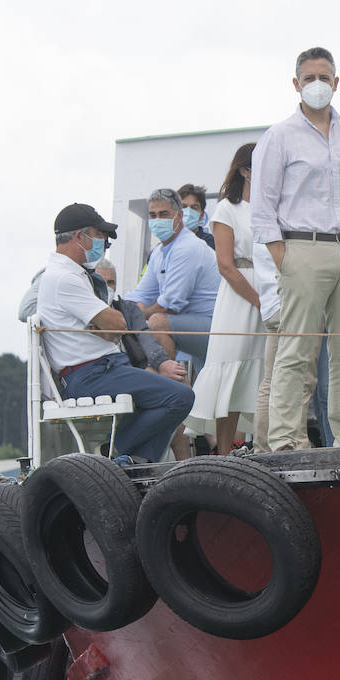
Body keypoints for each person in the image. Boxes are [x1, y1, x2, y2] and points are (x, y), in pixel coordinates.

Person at [251, 46, 340, 450]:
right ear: (296, 84)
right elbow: (262, 207)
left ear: (337, 83)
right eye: (309, 78)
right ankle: (286, 439)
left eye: (324, 77)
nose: (317, 84)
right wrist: (284, 257)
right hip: (302, 248)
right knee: (296, 349)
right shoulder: (279, 136)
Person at [38, 203, 195, 464]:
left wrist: (108, 328)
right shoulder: (64, 278)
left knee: (170, 397)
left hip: (102, 369)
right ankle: (115, 450)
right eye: (101, 237)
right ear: (80, 237)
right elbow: (119, 325)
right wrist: (108, 328)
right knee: (180, 397)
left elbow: (114, 328)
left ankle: (134, 462)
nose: (104, 245)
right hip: (92, 374)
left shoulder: (68, 275)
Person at [184, 143, 267, 456]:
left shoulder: (271, 207)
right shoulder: (226, 209)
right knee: (231, 367)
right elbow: (226, 265)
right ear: (245, 171)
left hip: (271, 288)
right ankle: (222, 453)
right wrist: (259, 300)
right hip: (239, 297)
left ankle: (259, 446)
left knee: (263, 372)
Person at [126, 187, 221, 375]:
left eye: (163, 214)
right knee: (138, 324)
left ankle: (172, 389)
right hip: (194, 327)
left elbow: (169, 305)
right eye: (152, 215)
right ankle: (173, 389)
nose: (157, 220)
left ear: (179, 217)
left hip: (217, 328)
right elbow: (140, 294)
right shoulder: (159, 252)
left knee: (156, 322)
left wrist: (138, 314)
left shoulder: (187, 247)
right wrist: (126, 311)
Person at [178, 184, 217, 250]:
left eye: (194, 207)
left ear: (201, 215)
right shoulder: (167, 243)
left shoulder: (210, 243)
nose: (189, 212)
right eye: (183, 206)